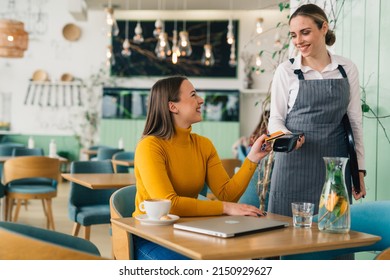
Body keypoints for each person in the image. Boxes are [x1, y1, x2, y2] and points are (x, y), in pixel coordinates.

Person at [133, 76, 272, 260]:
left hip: (189, 232)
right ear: (172, 106)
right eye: (193, 95)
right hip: (151, 238)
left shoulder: (203, 145)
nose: (201, 100)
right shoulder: (150, 146)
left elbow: (227, 194)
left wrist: (252, 158)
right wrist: (225, 208)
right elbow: (169, 204)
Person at [268, 3, 366, 218]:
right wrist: (288, 137)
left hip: (335, 166)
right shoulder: (287, 71)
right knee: (285, 236)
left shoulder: (346, 69)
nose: (298, 41)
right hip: (293, 163)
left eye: (305, 32)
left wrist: (359, 170)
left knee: (332, 233)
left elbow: (355, 122)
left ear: (323, 28)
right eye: (294, 35)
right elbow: (275, 118)